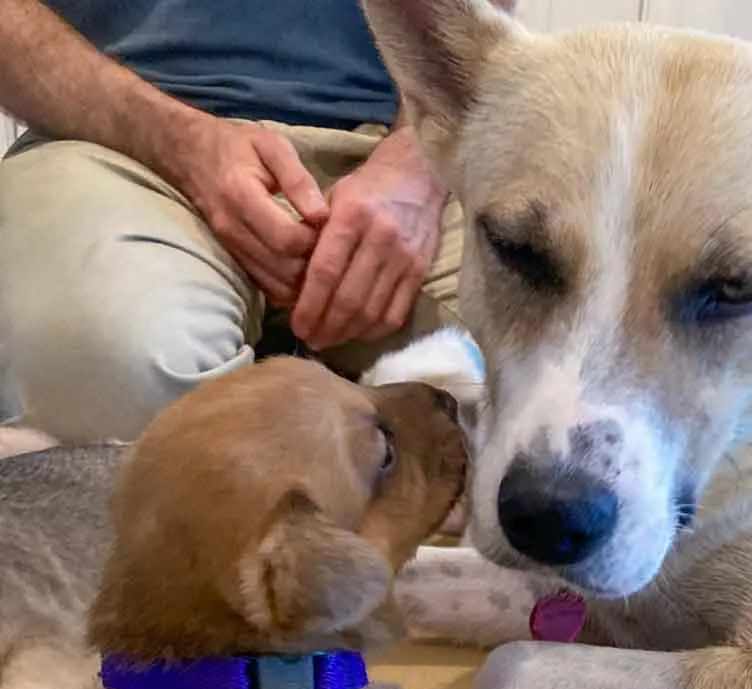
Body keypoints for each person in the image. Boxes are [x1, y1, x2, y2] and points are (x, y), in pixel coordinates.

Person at [0, 0, 512, 442]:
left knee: (527, 373)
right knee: (110, 368)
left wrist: (415, 164)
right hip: (111, 140)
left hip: (395, 149)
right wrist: (177, 142)